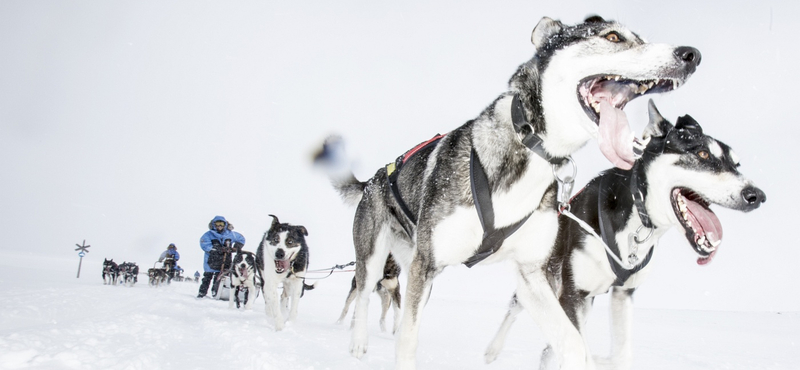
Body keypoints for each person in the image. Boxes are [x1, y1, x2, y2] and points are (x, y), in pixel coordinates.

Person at [197, 215, 245, 298]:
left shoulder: (231, 234)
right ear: (213, 224)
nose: (219, 226)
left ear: (225, 224)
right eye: (217, 224)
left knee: (219, 279)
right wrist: (217, 249)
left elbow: (241, 239)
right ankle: (202, 293)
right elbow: (204, 244)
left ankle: (216, 293)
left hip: (225, 261)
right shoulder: (208, 235)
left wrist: (236, 247)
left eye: (221, 224)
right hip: (211, 261)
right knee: (207, 277)